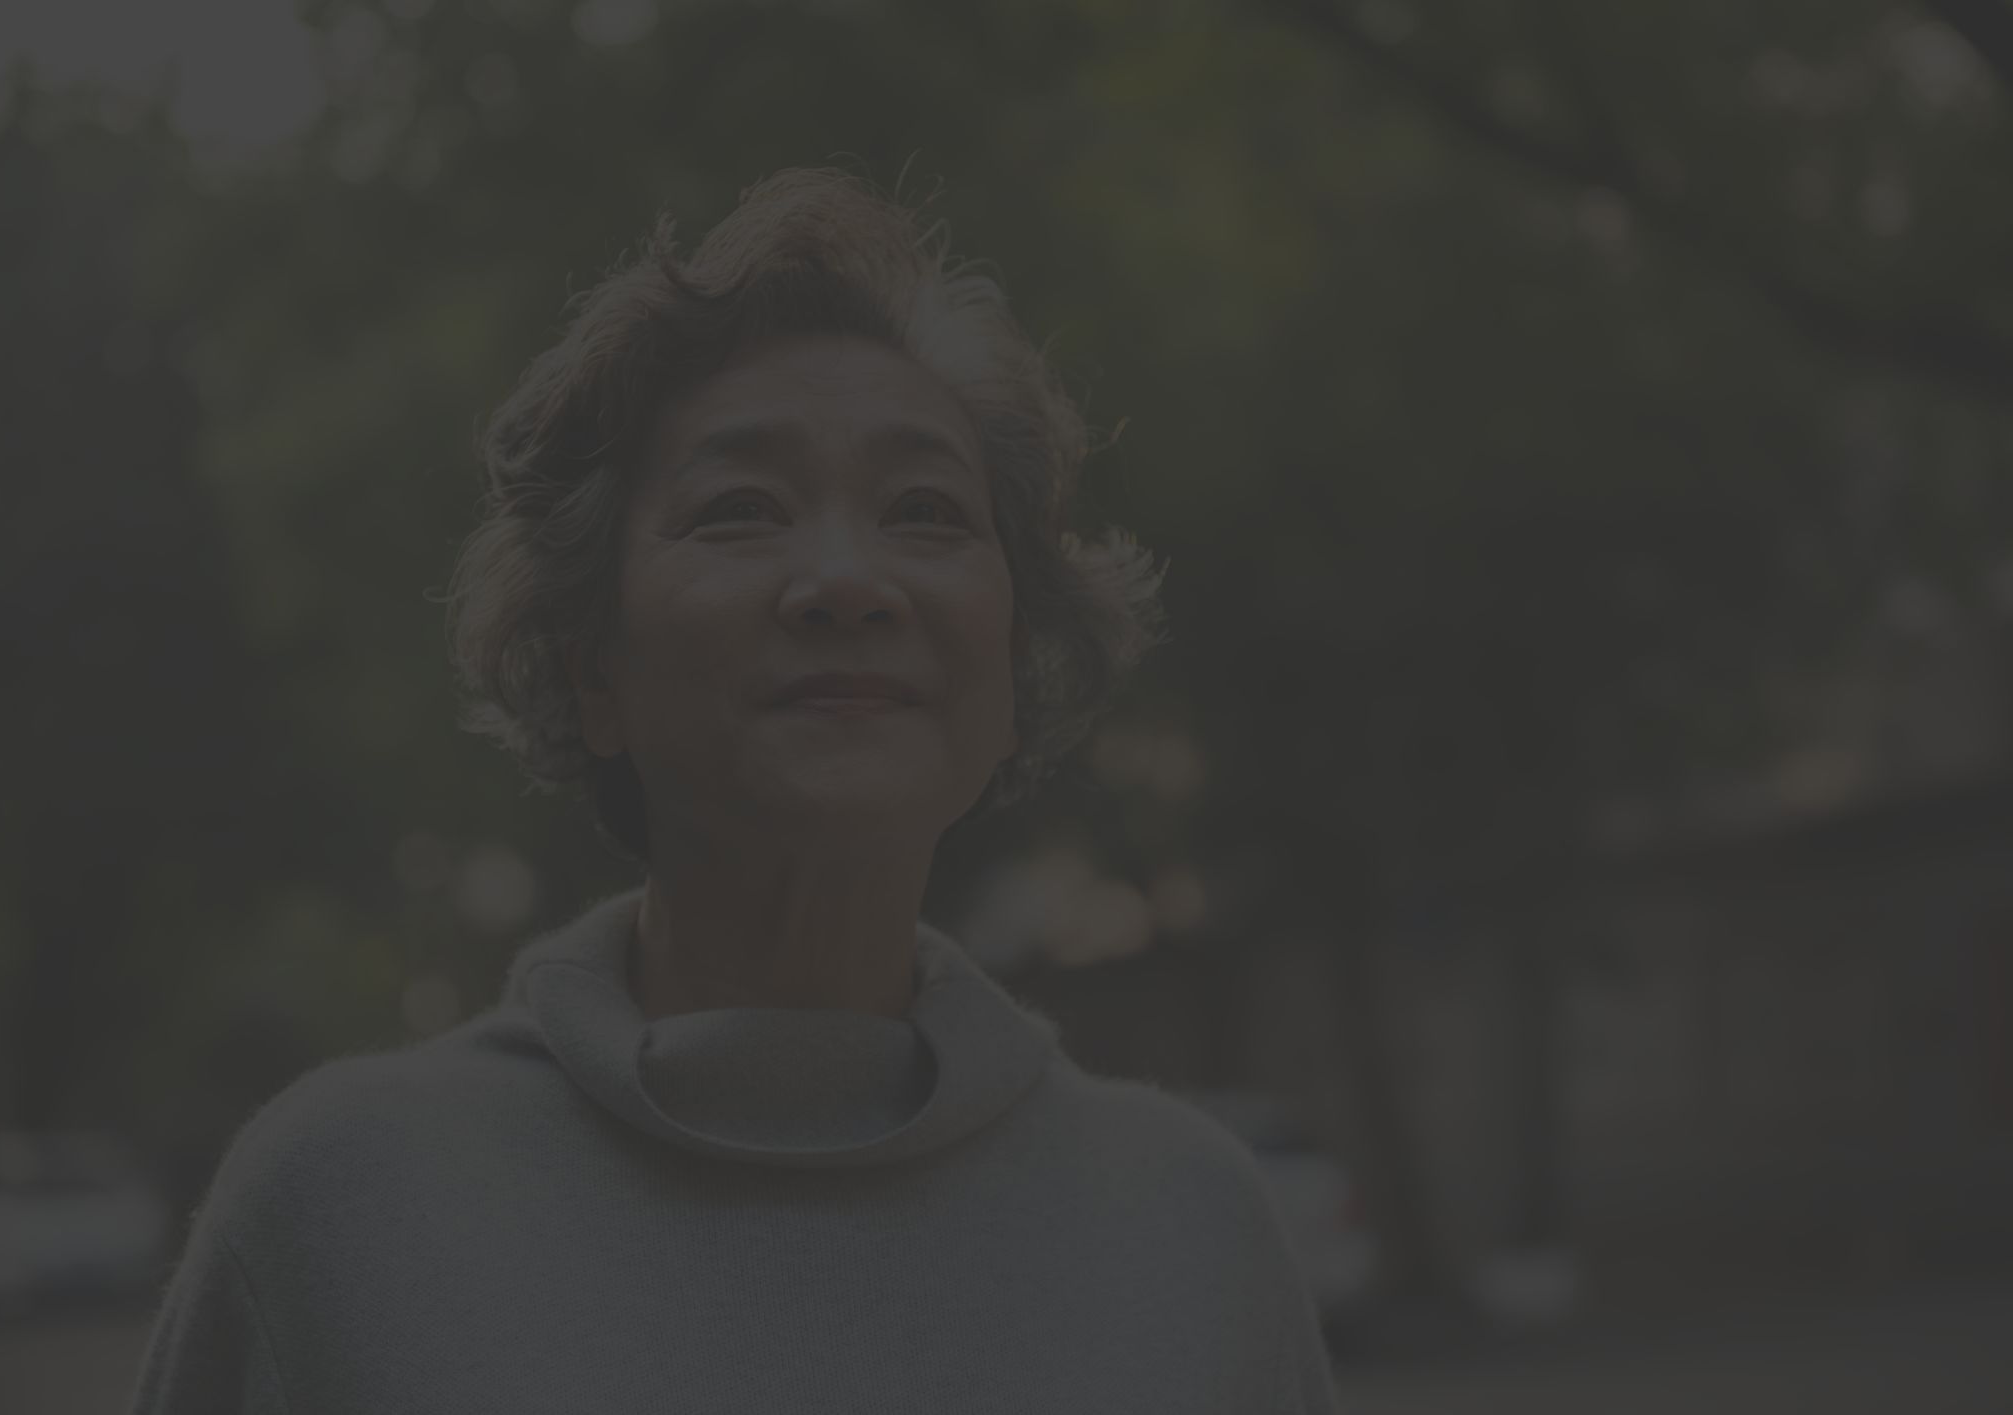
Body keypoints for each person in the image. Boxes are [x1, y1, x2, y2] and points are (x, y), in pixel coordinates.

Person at [130, 166, 1341, 1413]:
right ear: (587, 665)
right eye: (740, 508)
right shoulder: (337, 1209)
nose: (844, 579)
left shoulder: (1195, 1231)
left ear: (1011, 666)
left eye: (923, 509)